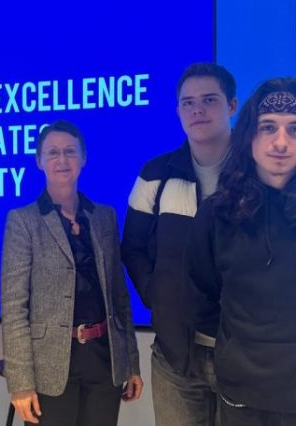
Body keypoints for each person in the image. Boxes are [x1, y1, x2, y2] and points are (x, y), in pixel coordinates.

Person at [186, 77, 296, 425]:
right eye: (268, 127)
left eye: (295, 129)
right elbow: (203, 297)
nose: (280, 142)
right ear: (249, 134)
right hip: (245, 397)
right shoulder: (218, 213)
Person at [1, 120, 142, 426]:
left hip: (104, 361)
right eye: (52, 152)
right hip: (49, 366)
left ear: (84, 157)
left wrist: (131, 362)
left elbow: (119, 297)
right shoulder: (23, 221)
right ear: (39, 161)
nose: (62, 159)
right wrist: (20, 382)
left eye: (70, 151)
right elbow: (13, 308)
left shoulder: (104, 217)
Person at [122, 62, 238, 425]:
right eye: (188, 102)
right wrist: (157, 296)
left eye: (209, 100)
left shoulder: (257, 175)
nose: (197, 110)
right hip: (175, 356)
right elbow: (132, 248)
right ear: (177, 111)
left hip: (245, 358)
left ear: (232, 106)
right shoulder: (155, 174)